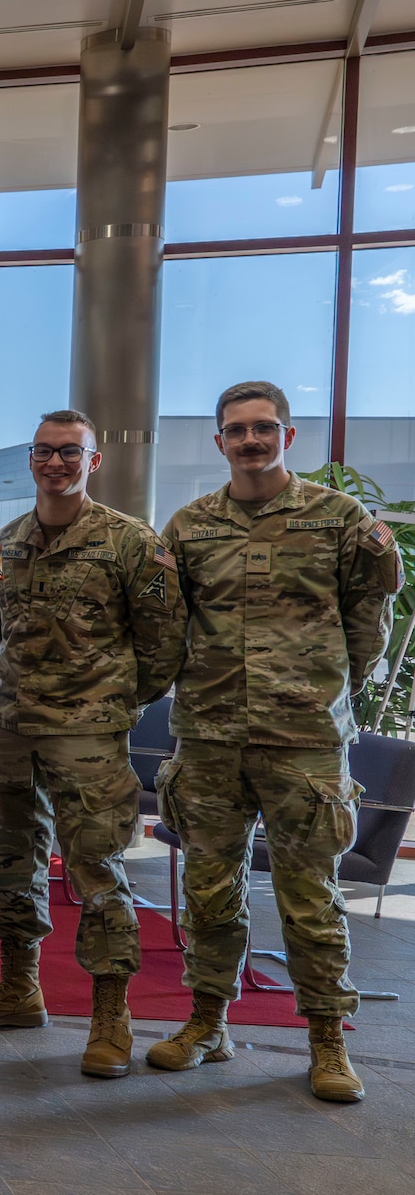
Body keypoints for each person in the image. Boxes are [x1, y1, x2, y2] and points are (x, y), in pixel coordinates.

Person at [149, 381, 400, 1103]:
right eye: (236, 430)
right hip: (210, 738)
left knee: (310, 897)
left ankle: (326, 1040)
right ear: (219, 441)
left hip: (304, 741)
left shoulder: (338, 518)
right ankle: (207, 1024)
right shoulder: (189, 526)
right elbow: (167, 624)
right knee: (208, 891)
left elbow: (369, 622)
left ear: (287, 436)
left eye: (263, 427)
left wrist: (323, 691)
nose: (250, 440)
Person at [0, 409, 185, 1079]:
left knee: (98, 870)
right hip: (13, 729)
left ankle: (111, 1016)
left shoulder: (130, 542)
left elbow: (165, 643)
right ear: (30, 459)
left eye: (70, 452)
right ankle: (19, 989)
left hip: (88, 736)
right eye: (45, 451)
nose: (56, 462)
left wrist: (111, 704)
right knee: (12, 863)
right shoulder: (8, 542)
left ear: (93, 460)